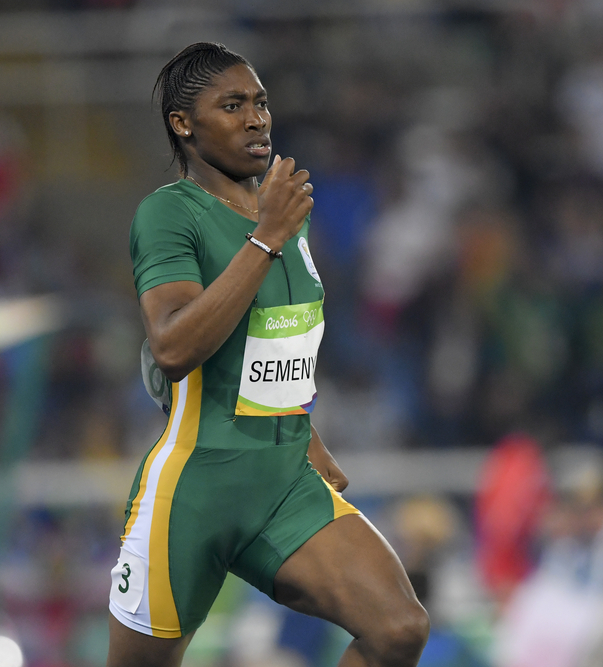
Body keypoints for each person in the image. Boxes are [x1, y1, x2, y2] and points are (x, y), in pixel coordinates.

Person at [107, 43, 429, 667]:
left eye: (260, 102)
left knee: (398, 629)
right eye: (232, 106)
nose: (256, 119)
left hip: (282, 482)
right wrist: (266, 238)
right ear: (183, 123)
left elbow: (276, 339)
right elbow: (172, 347)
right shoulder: (170, 213)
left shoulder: (284, 220)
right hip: (195, 491)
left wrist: (307, 435)